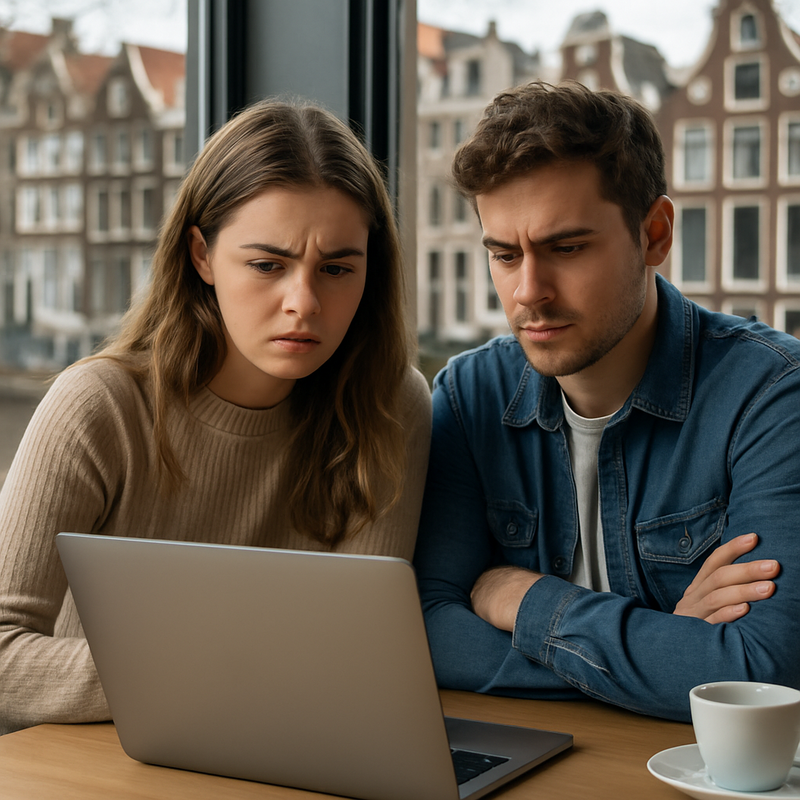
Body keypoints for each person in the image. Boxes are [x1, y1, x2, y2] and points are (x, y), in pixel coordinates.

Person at [0, 99, 431, 735]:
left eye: (338, 268)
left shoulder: (391, 404)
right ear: (201, 255)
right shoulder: (96, 407)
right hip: (101, 766)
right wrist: (211, 673)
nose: (303, 303)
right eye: (267, 265)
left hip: (290, 752)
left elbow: (353, 656)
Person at [413, 81, 799, 723]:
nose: (528, 291)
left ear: (654, 234)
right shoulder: (469, 395)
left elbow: (763, 675)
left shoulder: (771, 396)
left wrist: (525, 599)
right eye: (505, 255)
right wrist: (666, 647)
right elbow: (425, 631)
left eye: (566, 249)